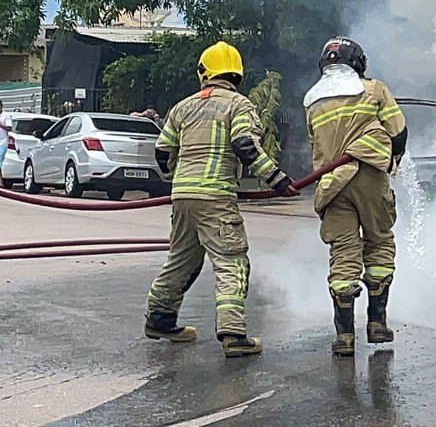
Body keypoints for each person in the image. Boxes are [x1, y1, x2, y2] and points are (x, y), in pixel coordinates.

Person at [144, 41, 297, 358]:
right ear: (237, 75)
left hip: (183, 195)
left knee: (182, 259)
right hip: (216, 196)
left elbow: (162, 152)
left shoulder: (182, 107)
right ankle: (233, 335)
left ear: (204, 73)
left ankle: (159, 319)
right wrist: (277, 179)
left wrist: (180, 176)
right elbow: (245, 145)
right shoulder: (239, 105)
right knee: (231, 261)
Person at [303, 37, 407, 356]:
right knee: (379, 242)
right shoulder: (374, 89)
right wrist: (393, 161)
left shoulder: (313, 102)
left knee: (344, 254)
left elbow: (317, 146)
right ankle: (376, 324)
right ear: (358, 62)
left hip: (332, 184)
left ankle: (344, 337)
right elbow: (398, 130)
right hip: (368, 173)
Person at [0, 100, 12, 167]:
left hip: (2, 142)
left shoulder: (6, 116)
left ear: (1, 106)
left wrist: (1, 125)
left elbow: (9, 128)